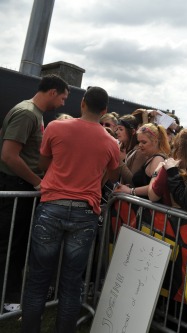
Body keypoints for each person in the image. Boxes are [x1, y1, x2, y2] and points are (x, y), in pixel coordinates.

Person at [21, 86, 121, 333]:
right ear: (105, 110)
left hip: (52, 206)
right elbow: (111, 174)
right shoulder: (111, 142)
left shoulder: (56, 127)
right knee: (72, 282)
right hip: (85, 213)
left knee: (38, 279)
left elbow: (43, 162)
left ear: (83, 103)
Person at [0, 74, 69, 305]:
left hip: (19, 186)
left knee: (15, 243)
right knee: (10, 244)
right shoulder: (27, 112)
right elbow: (9, 155)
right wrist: (37, 182)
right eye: (63, 97)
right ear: (53, 92)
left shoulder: (32, 112)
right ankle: (7, 298)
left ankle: (9, 294)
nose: (63, 103)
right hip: (15, 186)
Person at [114, 123, 170, 199]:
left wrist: (131, 190)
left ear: (155, 141)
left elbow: (154, 187)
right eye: (139, 142)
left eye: (144, 142)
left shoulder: (158, 159)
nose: (140, 145)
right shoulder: (151, 158)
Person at [148, 128, 187, 207]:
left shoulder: (169, 166)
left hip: (172, 217)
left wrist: (155, 173)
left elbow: (152, 196)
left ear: (176, 146)